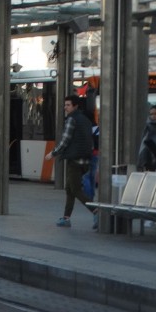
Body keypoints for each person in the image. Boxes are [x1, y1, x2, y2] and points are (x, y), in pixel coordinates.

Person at [45, 95, 99, 229]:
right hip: (85, 160)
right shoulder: (85, 120)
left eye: (68, 105)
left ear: (75, 106)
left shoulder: (71, 119)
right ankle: (66, 218)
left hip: (74, 160)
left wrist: (53, 153)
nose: (65, 107)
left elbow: (65, 140)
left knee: (75, 190)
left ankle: (97, 211)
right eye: (65, 105)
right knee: (69, 189)